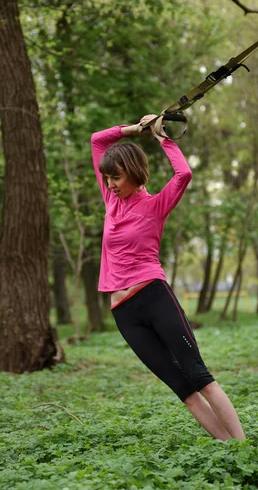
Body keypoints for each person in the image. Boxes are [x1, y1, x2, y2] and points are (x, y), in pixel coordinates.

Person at [91, 114, 245, 441]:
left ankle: (243, 449)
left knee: (200, 377)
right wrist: (133, 128)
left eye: (116, 177)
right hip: (124, 313)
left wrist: (162, 137)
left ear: (133, 173)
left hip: (154, 298)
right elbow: (97, 140)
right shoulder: (110, 201)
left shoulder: (155, 206)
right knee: (183, 389)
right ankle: (227, 449)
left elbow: (184, 173)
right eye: (106, 178)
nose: (110, 184)